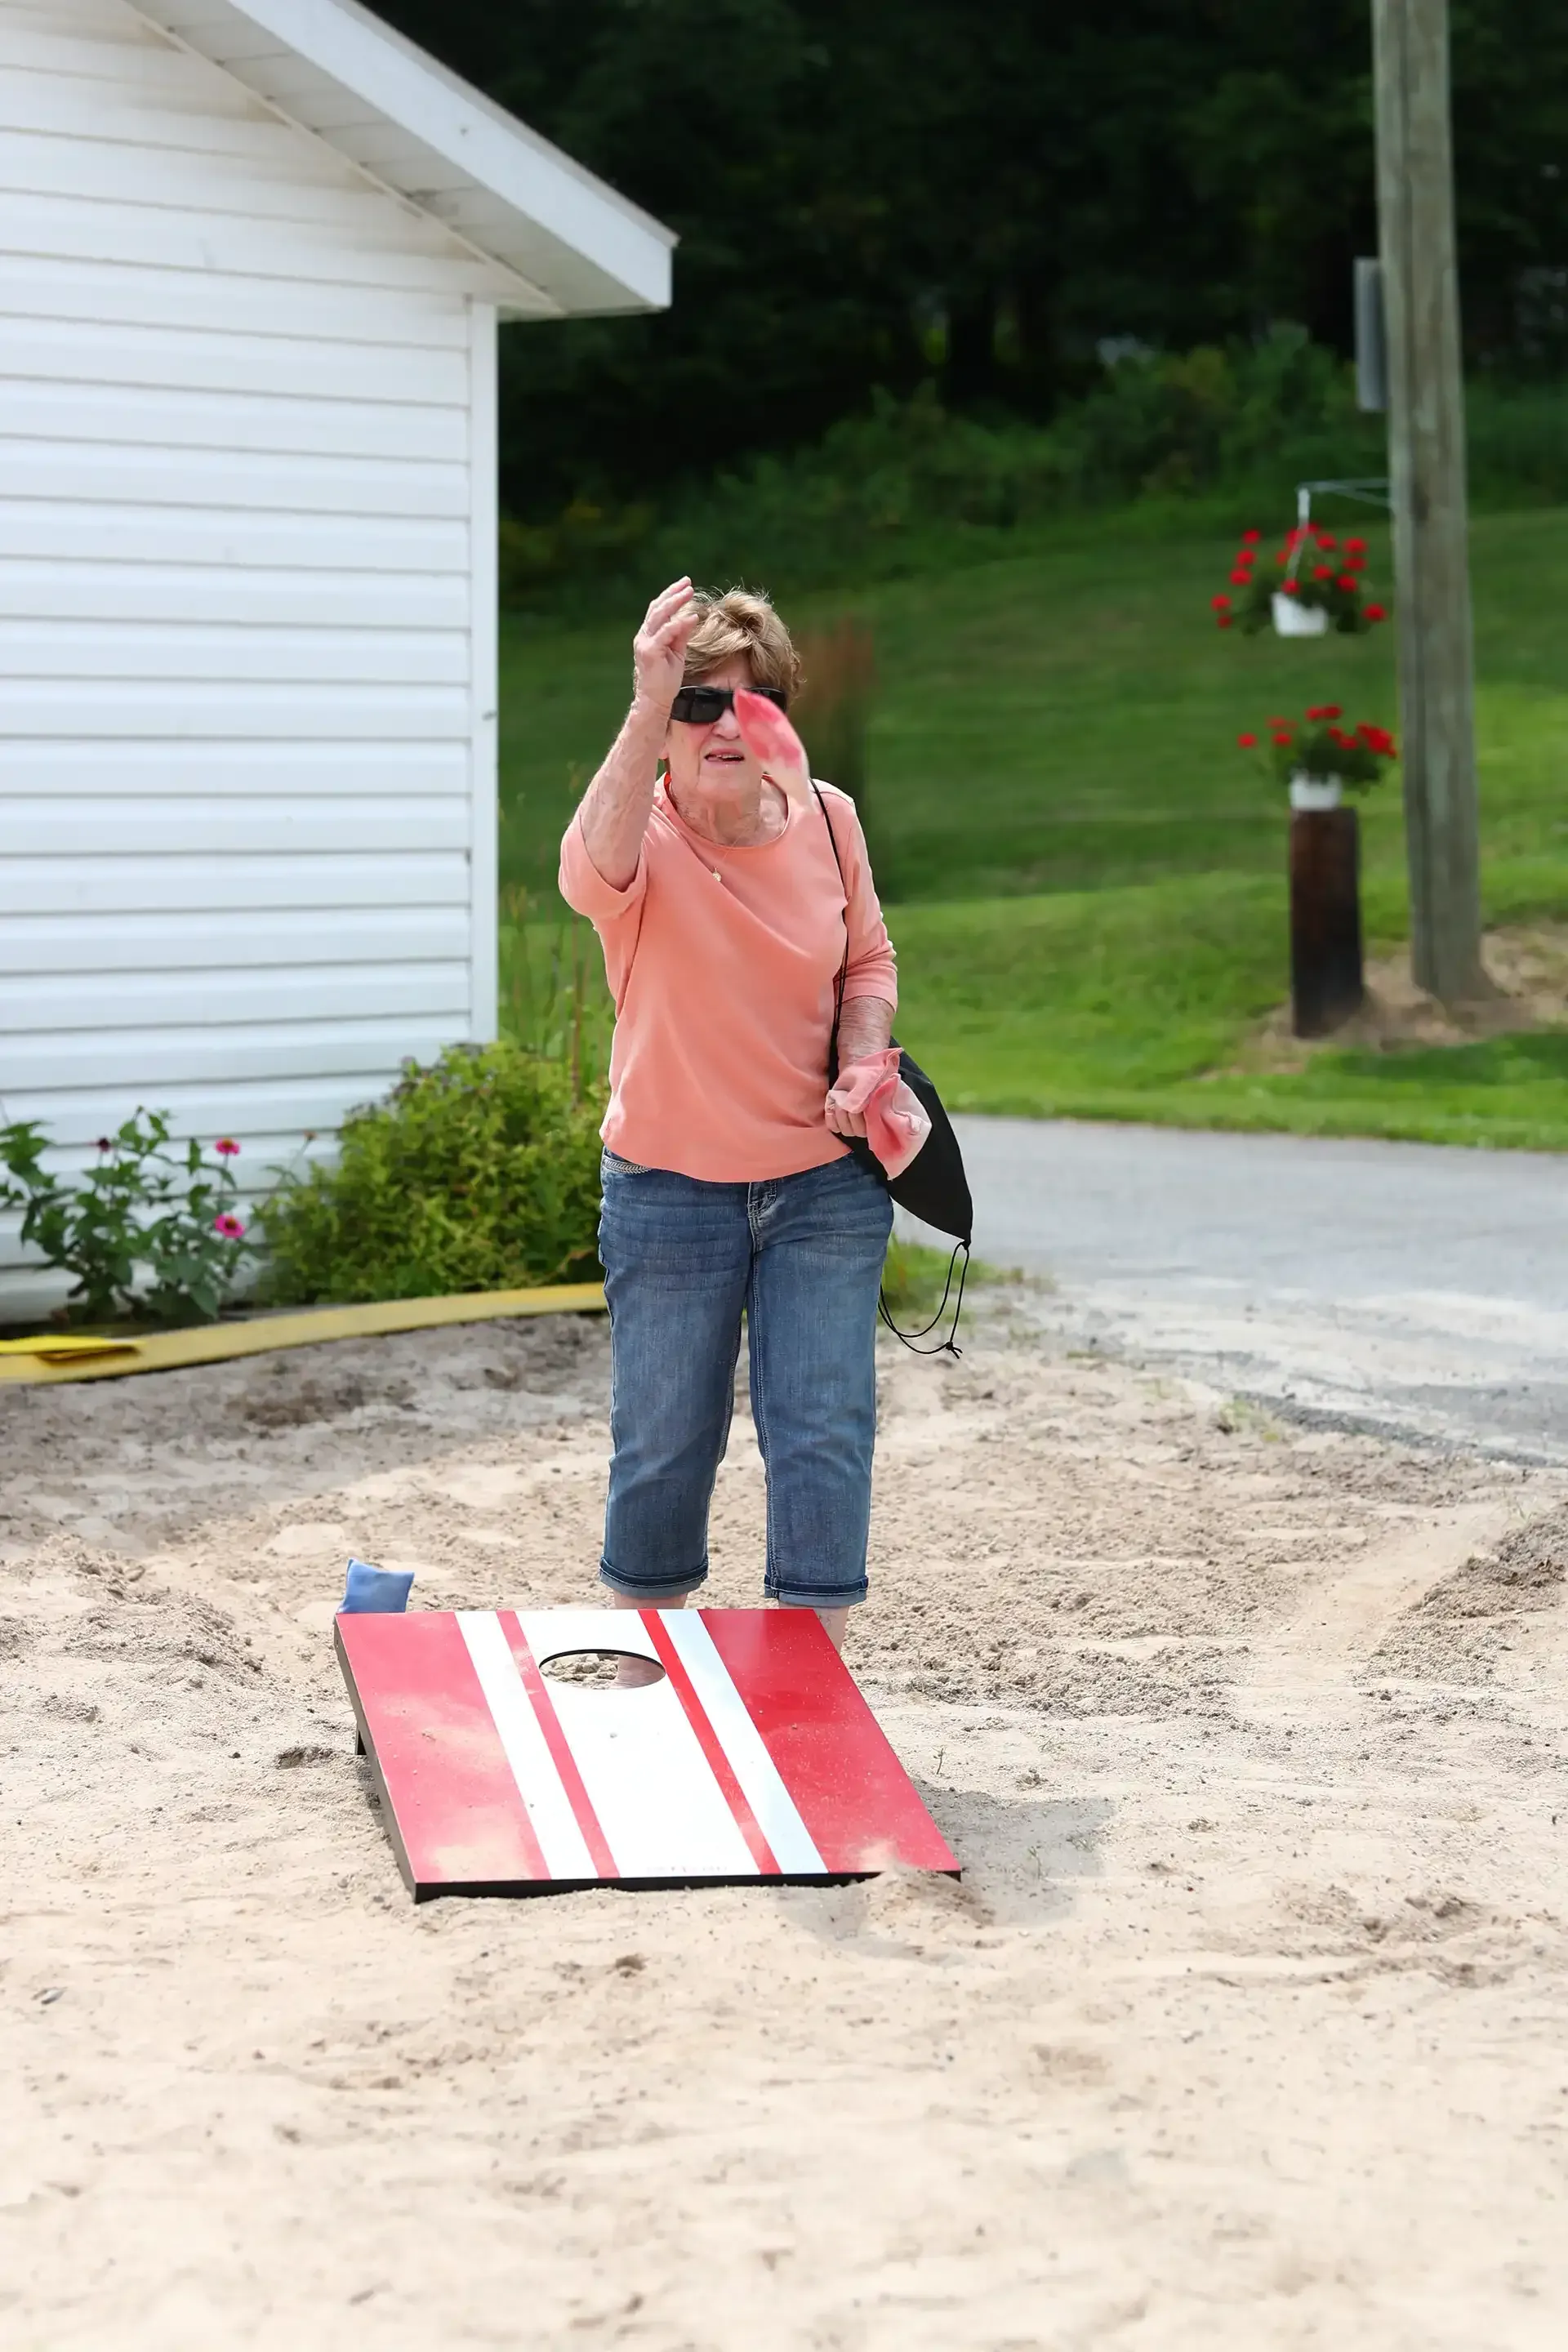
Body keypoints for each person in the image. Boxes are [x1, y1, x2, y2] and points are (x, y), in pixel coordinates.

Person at [559, 578, 902, 1673]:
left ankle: (812, 1679)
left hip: (824, 1186)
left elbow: (868, 964)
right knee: (664, 1440)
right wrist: (647, 699)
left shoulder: (830, 818)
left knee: (823, 1428)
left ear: (780, 722)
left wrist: (861, 1055)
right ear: (664, 724)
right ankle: (642, 1668)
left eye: (747, 705)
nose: (721, 727)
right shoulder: (640, 829)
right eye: (696, 706)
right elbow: (582, 879)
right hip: (669, 1185)